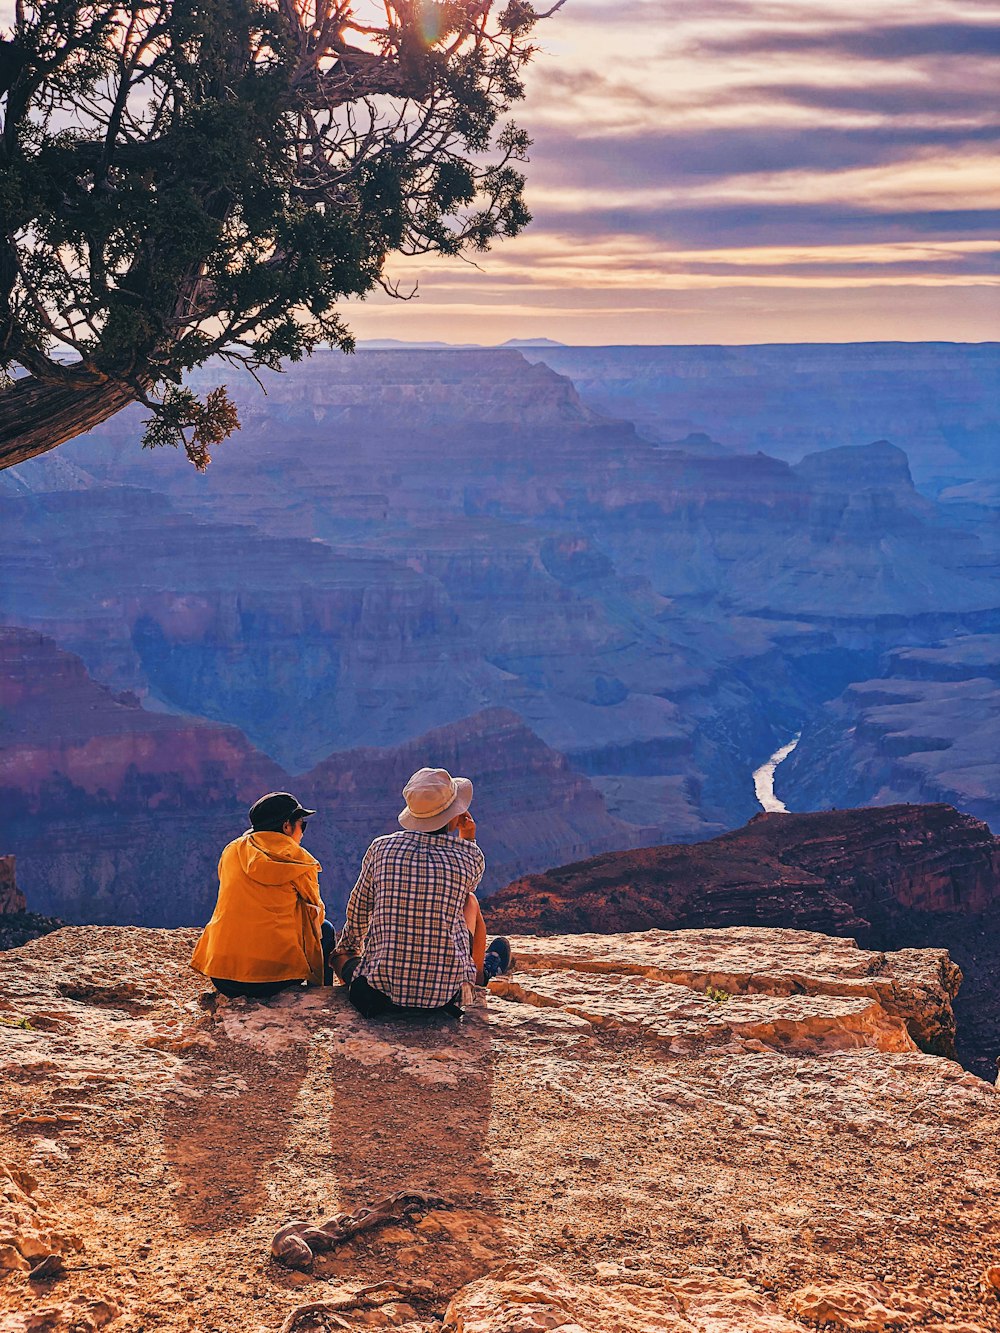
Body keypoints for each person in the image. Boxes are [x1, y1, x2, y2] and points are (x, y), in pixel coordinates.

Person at [333, 767, 512, 1018]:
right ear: (453, 815)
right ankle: (479, 974)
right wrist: (468, 839)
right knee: (469, 901)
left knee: (341, 958)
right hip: (446, 1000)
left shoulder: (381, 848)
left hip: (377, 999)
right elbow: (467, 885)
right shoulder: (467, 855)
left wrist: (349, 948)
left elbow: (360, 907)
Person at [191, 791, 332, 999]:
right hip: (273, 980)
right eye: (302, 824)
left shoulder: (232, 850)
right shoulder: (298, 859)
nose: (302, 831)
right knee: (326, 929)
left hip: (223, 978)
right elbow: (315, 915)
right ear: (287, 826)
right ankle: (323, 996)